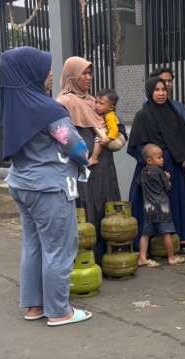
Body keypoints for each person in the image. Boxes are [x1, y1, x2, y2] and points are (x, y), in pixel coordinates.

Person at [0, 47, 92, 326]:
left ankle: (34, 306)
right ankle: (59, 311)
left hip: (21, 184)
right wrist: (85, 156)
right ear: (30, 72)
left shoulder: (13, 105)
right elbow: (75, 146)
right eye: (44, 68)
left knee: (33, 245)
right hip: (49, 188)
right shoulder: (47, 108)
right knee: (59, 247)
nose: (50, 73)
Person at [58, 57, 121, 264]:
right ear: (71, 75)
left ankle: (108, 255)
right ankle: (88, 257)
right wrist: (79, 155)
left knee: (104, 201)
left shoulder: (92, 100)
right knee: (87, 206)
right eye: (84, 73)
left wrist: (118, 137)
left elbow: (111, 123)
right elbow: (61, 135)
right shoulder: (64, 102)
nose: (89, 77)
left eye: (90, 73)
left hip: (103, 164)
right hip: (83, 165)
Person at [128, 77, 185, 255]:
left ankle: (176, 242)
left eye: (164, 90)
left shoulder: (173, 113)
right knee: (151, 205)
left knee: (174, 201)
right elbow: (137, 145)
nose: (161, 93)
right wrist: (151, 163)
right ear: (150, 92)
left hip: (173, 167)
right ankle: (147, 246)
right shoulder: (143, 115)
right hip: (151, 170)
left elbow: (184, 139)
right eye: (157, 90)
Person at [137, 144, 185, 267]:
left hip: (148, 207)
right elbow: (168, 187)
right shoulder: (159, 172)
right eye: (159, 157)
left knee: (146, 233)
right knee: (166, 232)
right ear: (149, 160)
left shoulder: (143, 172)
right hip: (162, 207)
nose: (162, 159)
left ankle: (142, 257)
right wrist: (167, 178)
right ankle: (171, 257)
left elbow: (140, 185)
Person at [88, 89, 125, 166]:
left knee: (99, 136)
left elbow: (114, 129)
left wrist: (107, 139)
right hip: (116, 137)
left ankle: (94, 158)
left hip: (117, 140)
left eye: (101, 103)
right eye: (96, 102)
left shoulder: (110, 116)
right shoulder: (105, 114)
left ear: (111, 108)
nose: (97, 105)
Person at [153, 68, 185, 132]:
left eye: (169, 81)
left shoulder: (178, 105)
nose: (167, 84)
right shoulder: (149, 104)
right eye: (164, 81)